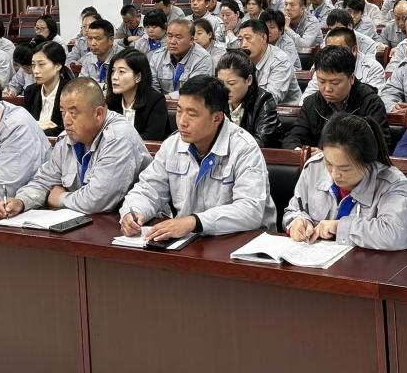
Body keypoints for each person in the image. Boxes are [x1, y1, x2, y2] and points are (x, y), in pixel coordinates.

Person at [118, 75, 274, 239]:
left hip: (241, 240)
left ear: (217, 118)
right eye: (179, 111)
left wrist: (194, 222)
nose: (182, 122)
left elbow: (250, 210)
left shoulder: (244, 148)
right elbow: (148, 188)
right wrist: (133, 211)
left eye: (192, 114)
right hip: (190, 240)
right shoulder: (172, 144)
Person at [0, 77, 152, 218]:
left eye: (73, 113)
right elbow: (44, 180)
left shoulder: (118, 138)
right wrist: (21, 201)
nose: (66, 121)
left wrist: (61, 198)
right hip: (84, 222)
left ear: (98, 114)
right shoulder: (68, 138)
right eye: (62, 112)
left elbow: (98, 199)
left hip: (127, 224)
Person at [283, 115, 407, 251]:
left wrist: (340, 227)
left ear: (367, 163)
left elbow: (396, 235)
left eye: (344, 168)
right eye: (328, 163)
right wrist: (298, 222)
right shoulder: (314, 168)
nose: (334, 174)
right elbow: (293, 210)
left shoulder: (392, 183)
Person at [282, 45, 387, 150]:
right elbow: (293, 138)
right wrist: (300, 151)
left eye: (335, 83)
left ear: (351, 78)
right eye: (321, 81)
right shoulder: (311, 103)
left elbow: (379, 146)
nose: (327, 89)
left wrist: (328, 154)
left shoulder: (371, 103)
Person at [215, 50, 280, 147]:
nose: (225, 89)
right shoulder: (216, 99)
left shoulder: (264, 101)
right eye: (221, 83)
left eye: (232, 83)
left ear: (249, 80)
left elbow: (260, 142)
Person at [106, 48, 169, 141]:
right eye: (113, 71)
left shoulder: (155, 101)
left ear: (138, 77)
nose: (114, 77)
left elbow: (152, 138)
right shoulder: (110, 102)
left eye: (121, 72)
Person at [304, 26, 386, 96]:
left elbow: (373, 101)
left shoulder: (373, 68)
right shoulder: (323, 66)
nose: (331, 54)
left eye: (338, 50)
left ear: (354, 50)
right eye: (328, 49)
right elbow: (307, 98)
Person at [236, 17, 301, 105]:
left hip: (284, 111)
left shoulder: (280, 60)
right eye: (240, 40)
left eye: (248, 38)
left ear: (263, 38)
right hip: (251, 108)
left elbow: (270, 98)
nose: (243, 45)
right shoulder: (241, 59)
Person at [150, 18, 214, 98]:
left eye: (178, 37)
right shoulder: (157, 56)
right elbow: (152, 87)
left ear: (191, 40)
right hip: (160, 103)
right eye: (169, 36)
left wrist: (166, 98)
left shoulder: (203, 58)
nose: (172, 42)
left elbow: (195, 90)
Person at [23, 39, 67, 137]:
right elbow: (24, 125)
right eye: (33, 65)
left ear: (58, 66)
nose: (35, 70)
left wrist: (34, 127)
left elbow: (65, 130)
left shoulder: (70, 91)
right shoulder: (31, 91)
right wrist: (37, 126)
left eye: (41, 64)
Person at [78, 18, 119, 89]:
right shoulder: (88, 58)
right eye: (90, 38)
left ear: (111, 40)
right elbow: (81, 85)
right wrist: (104, 86)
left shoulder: (122, 57)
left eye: (97, 38)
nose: (93, 43)